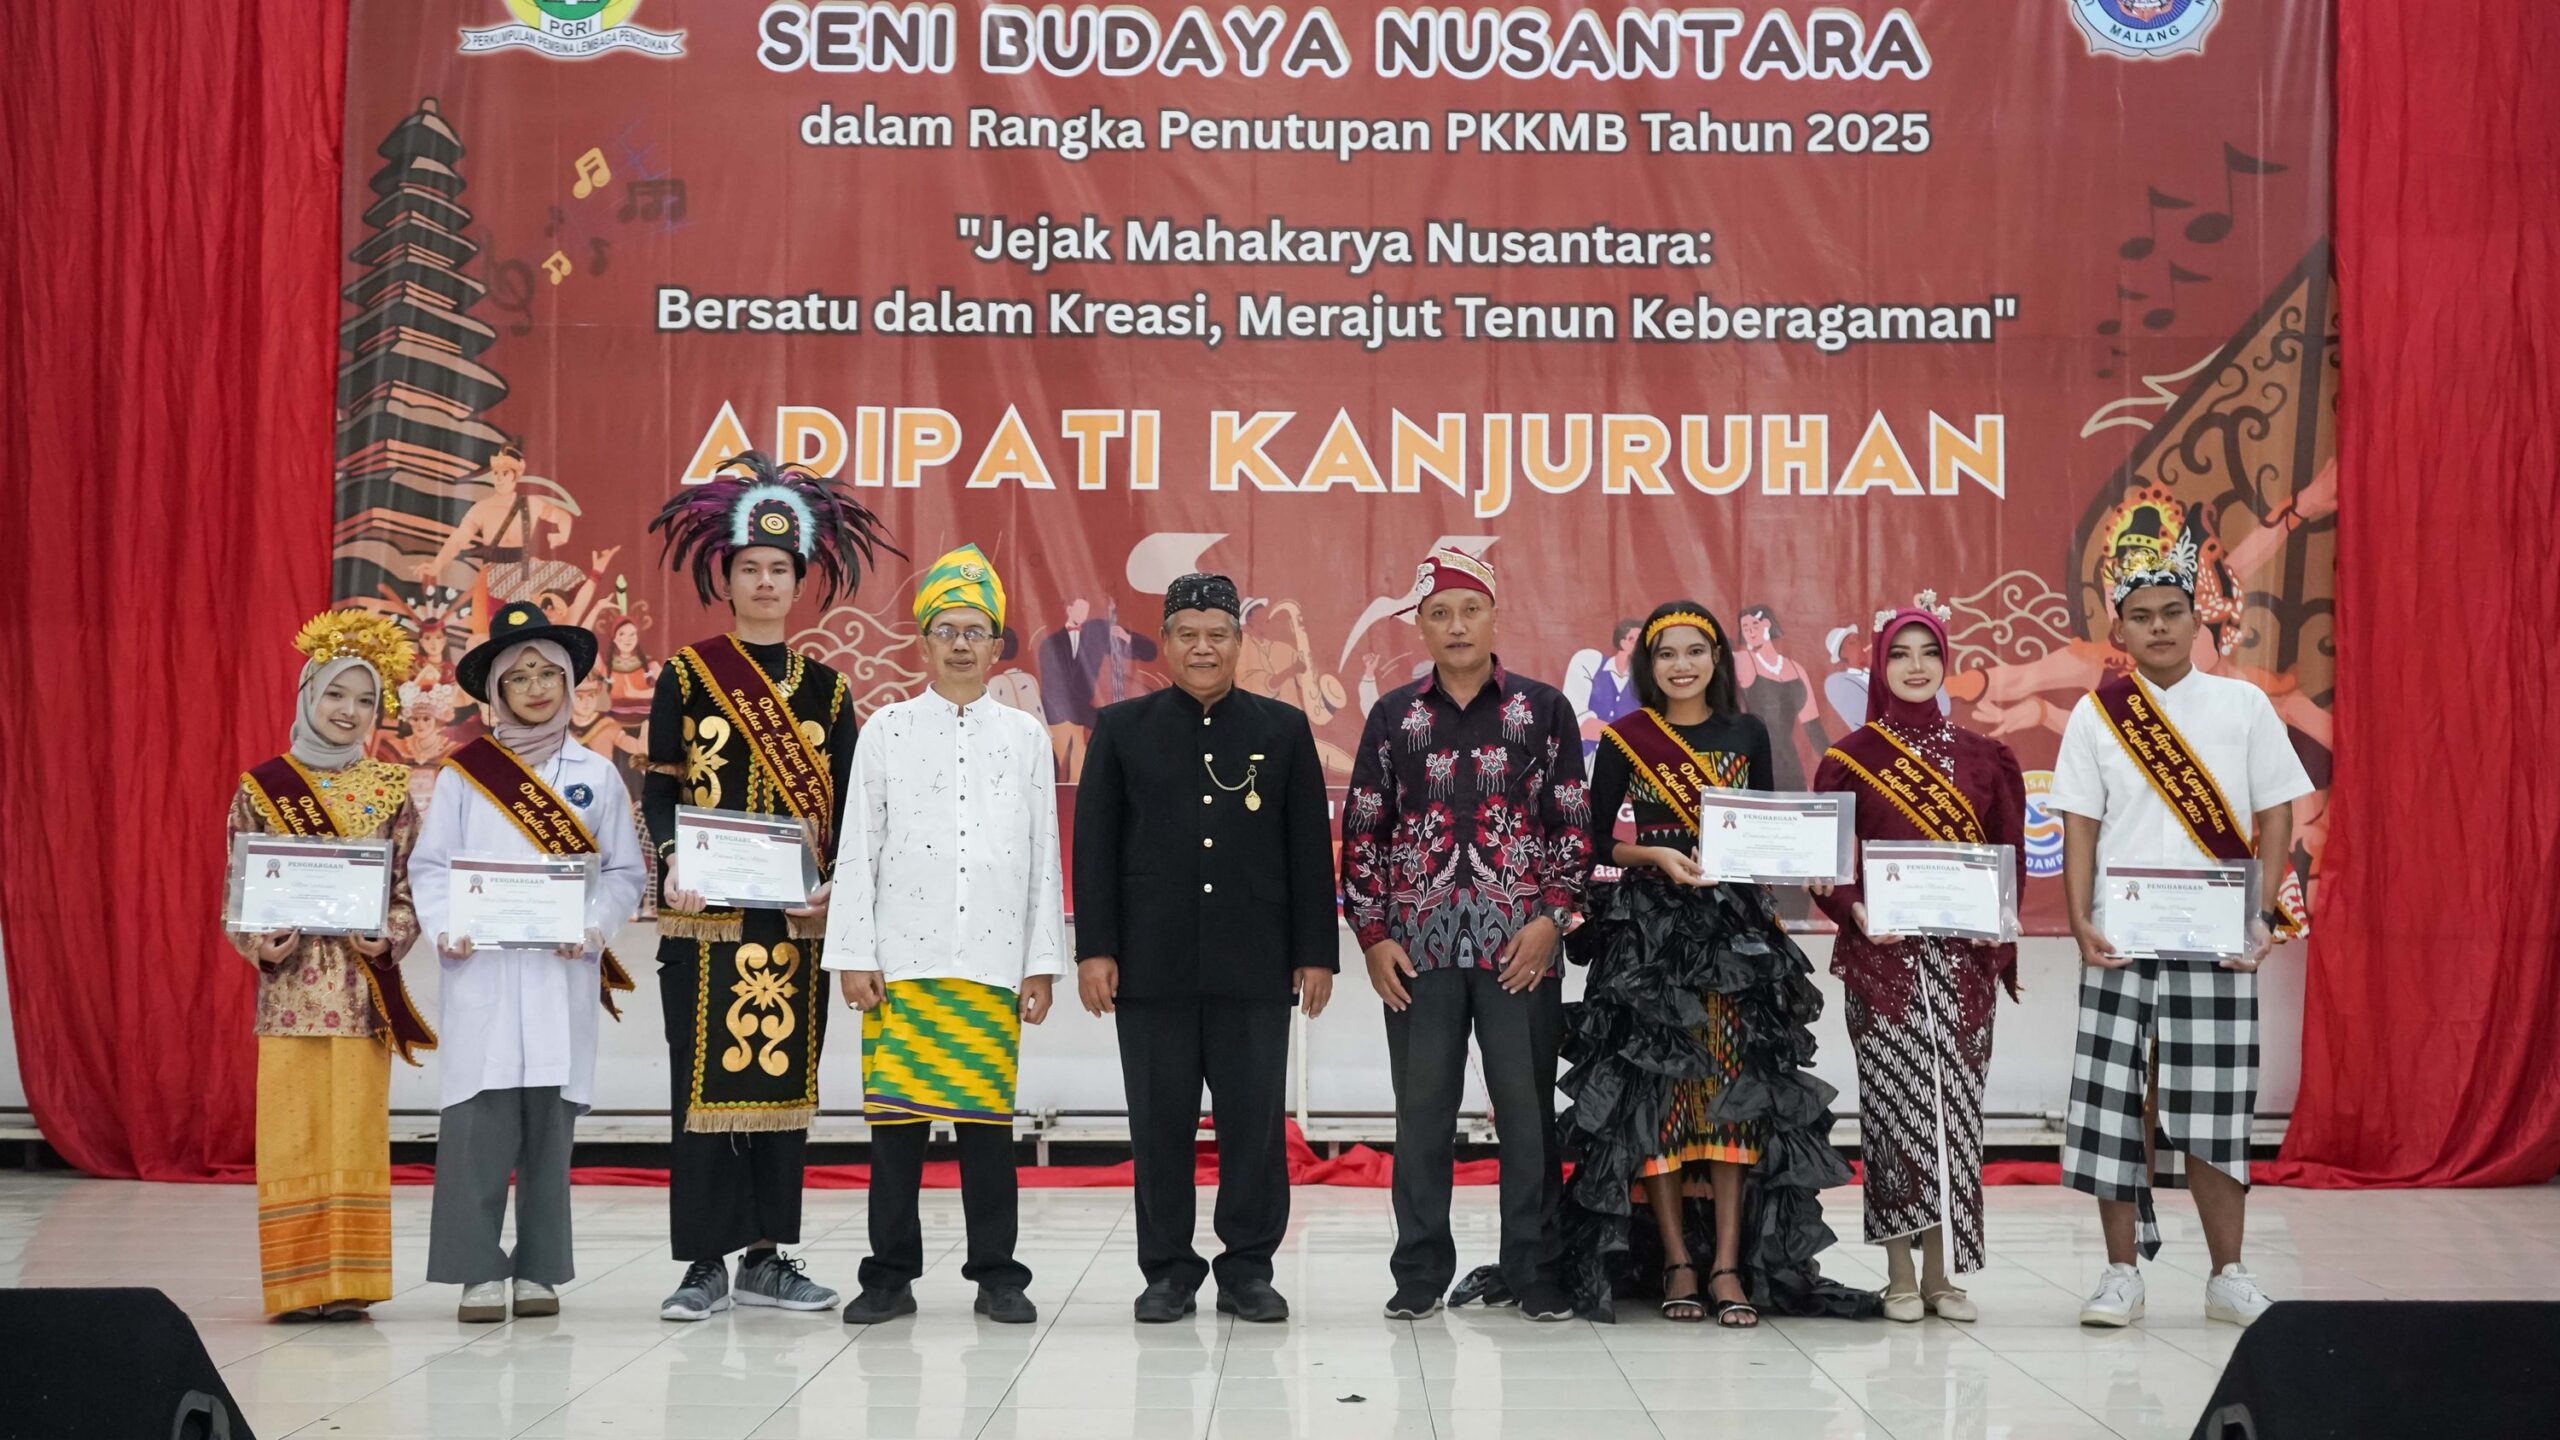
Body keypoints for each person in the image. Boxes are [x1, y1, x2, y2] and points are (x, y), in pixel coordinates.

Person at [1555, 600, 1868, 1326]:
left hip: (1734, 936)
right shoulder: (1628, 736)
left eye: (1696, 651)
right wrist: (1654, 855)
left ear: (1718, 660)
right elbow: (1595, 841)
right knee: (1658, 1100)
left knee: (1736, 1093)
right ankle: (1676, 1262)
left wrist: (1805, 857)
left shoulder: (1747, 732)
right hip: (1651, 937)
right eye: (1667, 654)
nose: (1682, 665)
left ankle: (1727, 1265)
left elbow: (1766, 825)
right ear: (1648, 664)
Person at [641, 452, 897, 1322]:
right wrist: (673, 858)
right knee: (699, 1092)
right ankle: (702, 1263)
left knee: (785, 1088)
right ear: (726, 577)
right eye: (749, 567)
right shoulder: (686, 674)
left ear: (800, 581)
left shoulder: (827, 690)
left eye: (778, 570)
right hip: (704, 920)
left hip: (795, 921)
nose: (763, 582)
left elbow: (855, 812)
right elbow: (661, 788)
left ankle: (766, 1257)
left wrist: (837, 889)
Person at [2050, 544, 2313, 1329]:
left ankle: (2228, 1274)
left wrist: (2262, 915)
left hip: (2216, 939)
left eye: (2172, 612)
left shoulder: (2244, 707)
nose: (2159, 627)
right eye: (2142, 616)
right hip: (2121, 937)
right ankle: (2119, 1274)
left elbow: (2276, 814)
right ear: (2120, 631)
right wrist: (2078, 919)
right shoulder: (2098, 714)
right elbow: (2079, 824)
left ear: (2198, 621)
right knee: (2113, 1106)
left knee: (2216, 1106)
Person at [1073, 572, 1337, 1324]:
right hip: (1149, 963)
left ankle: (1248, 1269)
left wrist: (1316, 952)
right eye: (1187, 634)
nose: (1202, 647)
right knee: (1160, 1126)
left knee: (1253, 1125)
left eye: (1217, 634)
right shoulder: (1121, 728)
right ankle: (1167, 1271)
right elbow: (1094, 850)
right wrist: (1096, 949)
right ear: (1165, 642)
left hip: (1255, 961)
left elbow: (1307, 849)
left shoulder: (1281, 729)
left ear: (1238, 642)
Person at [1340, 546, 1592, 1323]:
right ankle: (1419, 1273)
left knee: (1526, 1115)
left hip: (1520, 948)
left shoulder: (1543, 710)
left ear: (1494, 618)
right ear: (1420, 626)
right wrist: (1373, 936)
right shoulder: (1394, 716)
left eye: (1470, 611)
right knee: (1422, 1116)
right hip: (1417, 951)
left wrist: (1552, 920)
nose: (1456, 626)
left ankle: (1534, 1271)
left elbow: (1572, 824)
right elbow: (1363, 831)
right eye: (1440, 614)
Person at [825, 545, 1069, 1326]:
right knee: (896, 1130)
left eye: (975, 632)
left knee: (986, 1130)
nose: (961, 645)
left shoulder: (1024, 736)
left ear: (997, 648)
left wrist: (1041, 963)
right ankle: (889, 1277)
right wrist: (854, 954)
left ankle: (998, 1275)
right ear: (922, 643)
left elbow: (1043, 857)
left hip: (991, 965)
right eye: (946, 631)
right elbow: (858, 846)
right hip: (902, 963)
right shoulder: (887, 730)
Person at [411, 600, 646, 1323]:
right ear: (497, 691)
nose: (537, 688)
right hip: (480, 974)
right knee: (476, 1125)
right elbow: (431, 868)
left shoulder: (597, 776)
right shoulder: (463, 776)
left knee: (549, 1129)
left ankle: (540, 1269)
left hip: (559, 973)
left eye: (549, 674)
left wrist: (593, 926)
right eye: (520, 676)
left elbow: (625, 874)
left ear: (571, 684)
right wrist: (447, 927)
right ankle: (476, 1271)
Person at [1811, 605, 2028, 1324]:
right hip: (1884, 963)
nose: (1914, 666)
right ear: (1879, 666)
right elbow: (1829, 870)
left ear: (1944, 662)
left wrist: (2001, 927)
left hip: (1963, 965)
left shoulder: (1985, 757)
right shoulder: (1848, 759)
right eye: (1899, 654)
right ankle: (1900, 1273)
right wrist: (1855, 911)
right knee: (1893, 1114)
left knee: (1955, 1113)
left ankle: (1943, 1274)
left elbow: (2008, 857)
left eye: (1927, 652)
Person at [228, 609, 430, 1321]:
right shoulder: (261, 788)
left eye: (365, 700)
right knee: (291, 1137)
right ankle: (296, 1286)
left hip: (358, 996)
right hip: (288, 1000)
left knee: (354, 1138)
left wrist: (390, 937)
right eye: (336, 693)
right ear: (308, 694)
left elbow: (408, 890)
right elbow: (239, 895)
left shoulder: (392, 789)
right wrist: (261, 942)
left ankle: (350, 1286)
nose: (349, 710)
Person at [1036, 596, 1160, 780]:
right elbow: (1054, 690)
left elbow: (1150, 652)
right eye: (1079, 609)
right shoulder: (1049, 644)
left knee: (1083, 769)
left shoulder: (1096, 632)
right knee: (1058, 770)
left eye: (1086, 610)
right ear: (1069, 610)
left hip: (1083, 713)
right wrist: (1093, 717)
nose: (1083, 614)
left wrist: (1126, 637)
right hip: (1057, 717)